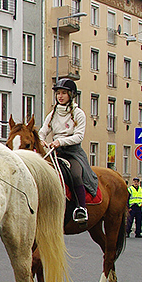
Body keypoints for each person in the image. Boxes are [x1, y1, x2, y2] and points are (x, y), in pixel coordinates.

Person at [38, 78, 99, 224]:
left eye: (64, 93)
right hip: (55, 152)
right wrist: (41, 140)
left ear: (71, 95)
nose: (60, 96)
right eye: (58, 93)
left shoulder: (78, 113)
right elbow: (43, 131)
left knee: (76, 175)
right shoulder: (53, 114)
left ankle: (81, 208)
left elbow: (79, 136)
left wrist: (60, 141)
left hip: (72, 152)